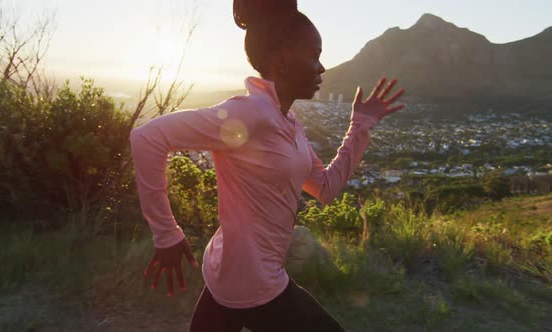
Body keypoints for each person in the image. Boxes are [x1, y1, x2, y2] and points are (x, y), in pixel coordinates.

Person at [129, 0, 405, 331]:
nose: (322, 68)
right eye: (315, 55)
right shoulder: (249, 115)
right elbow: (147, 138)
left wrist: (359, 126)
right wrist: (166, 234)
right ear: (282, 61)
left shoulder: (289, 124)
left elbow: (325, 188)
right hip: (255, 284)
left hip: (232, 273)